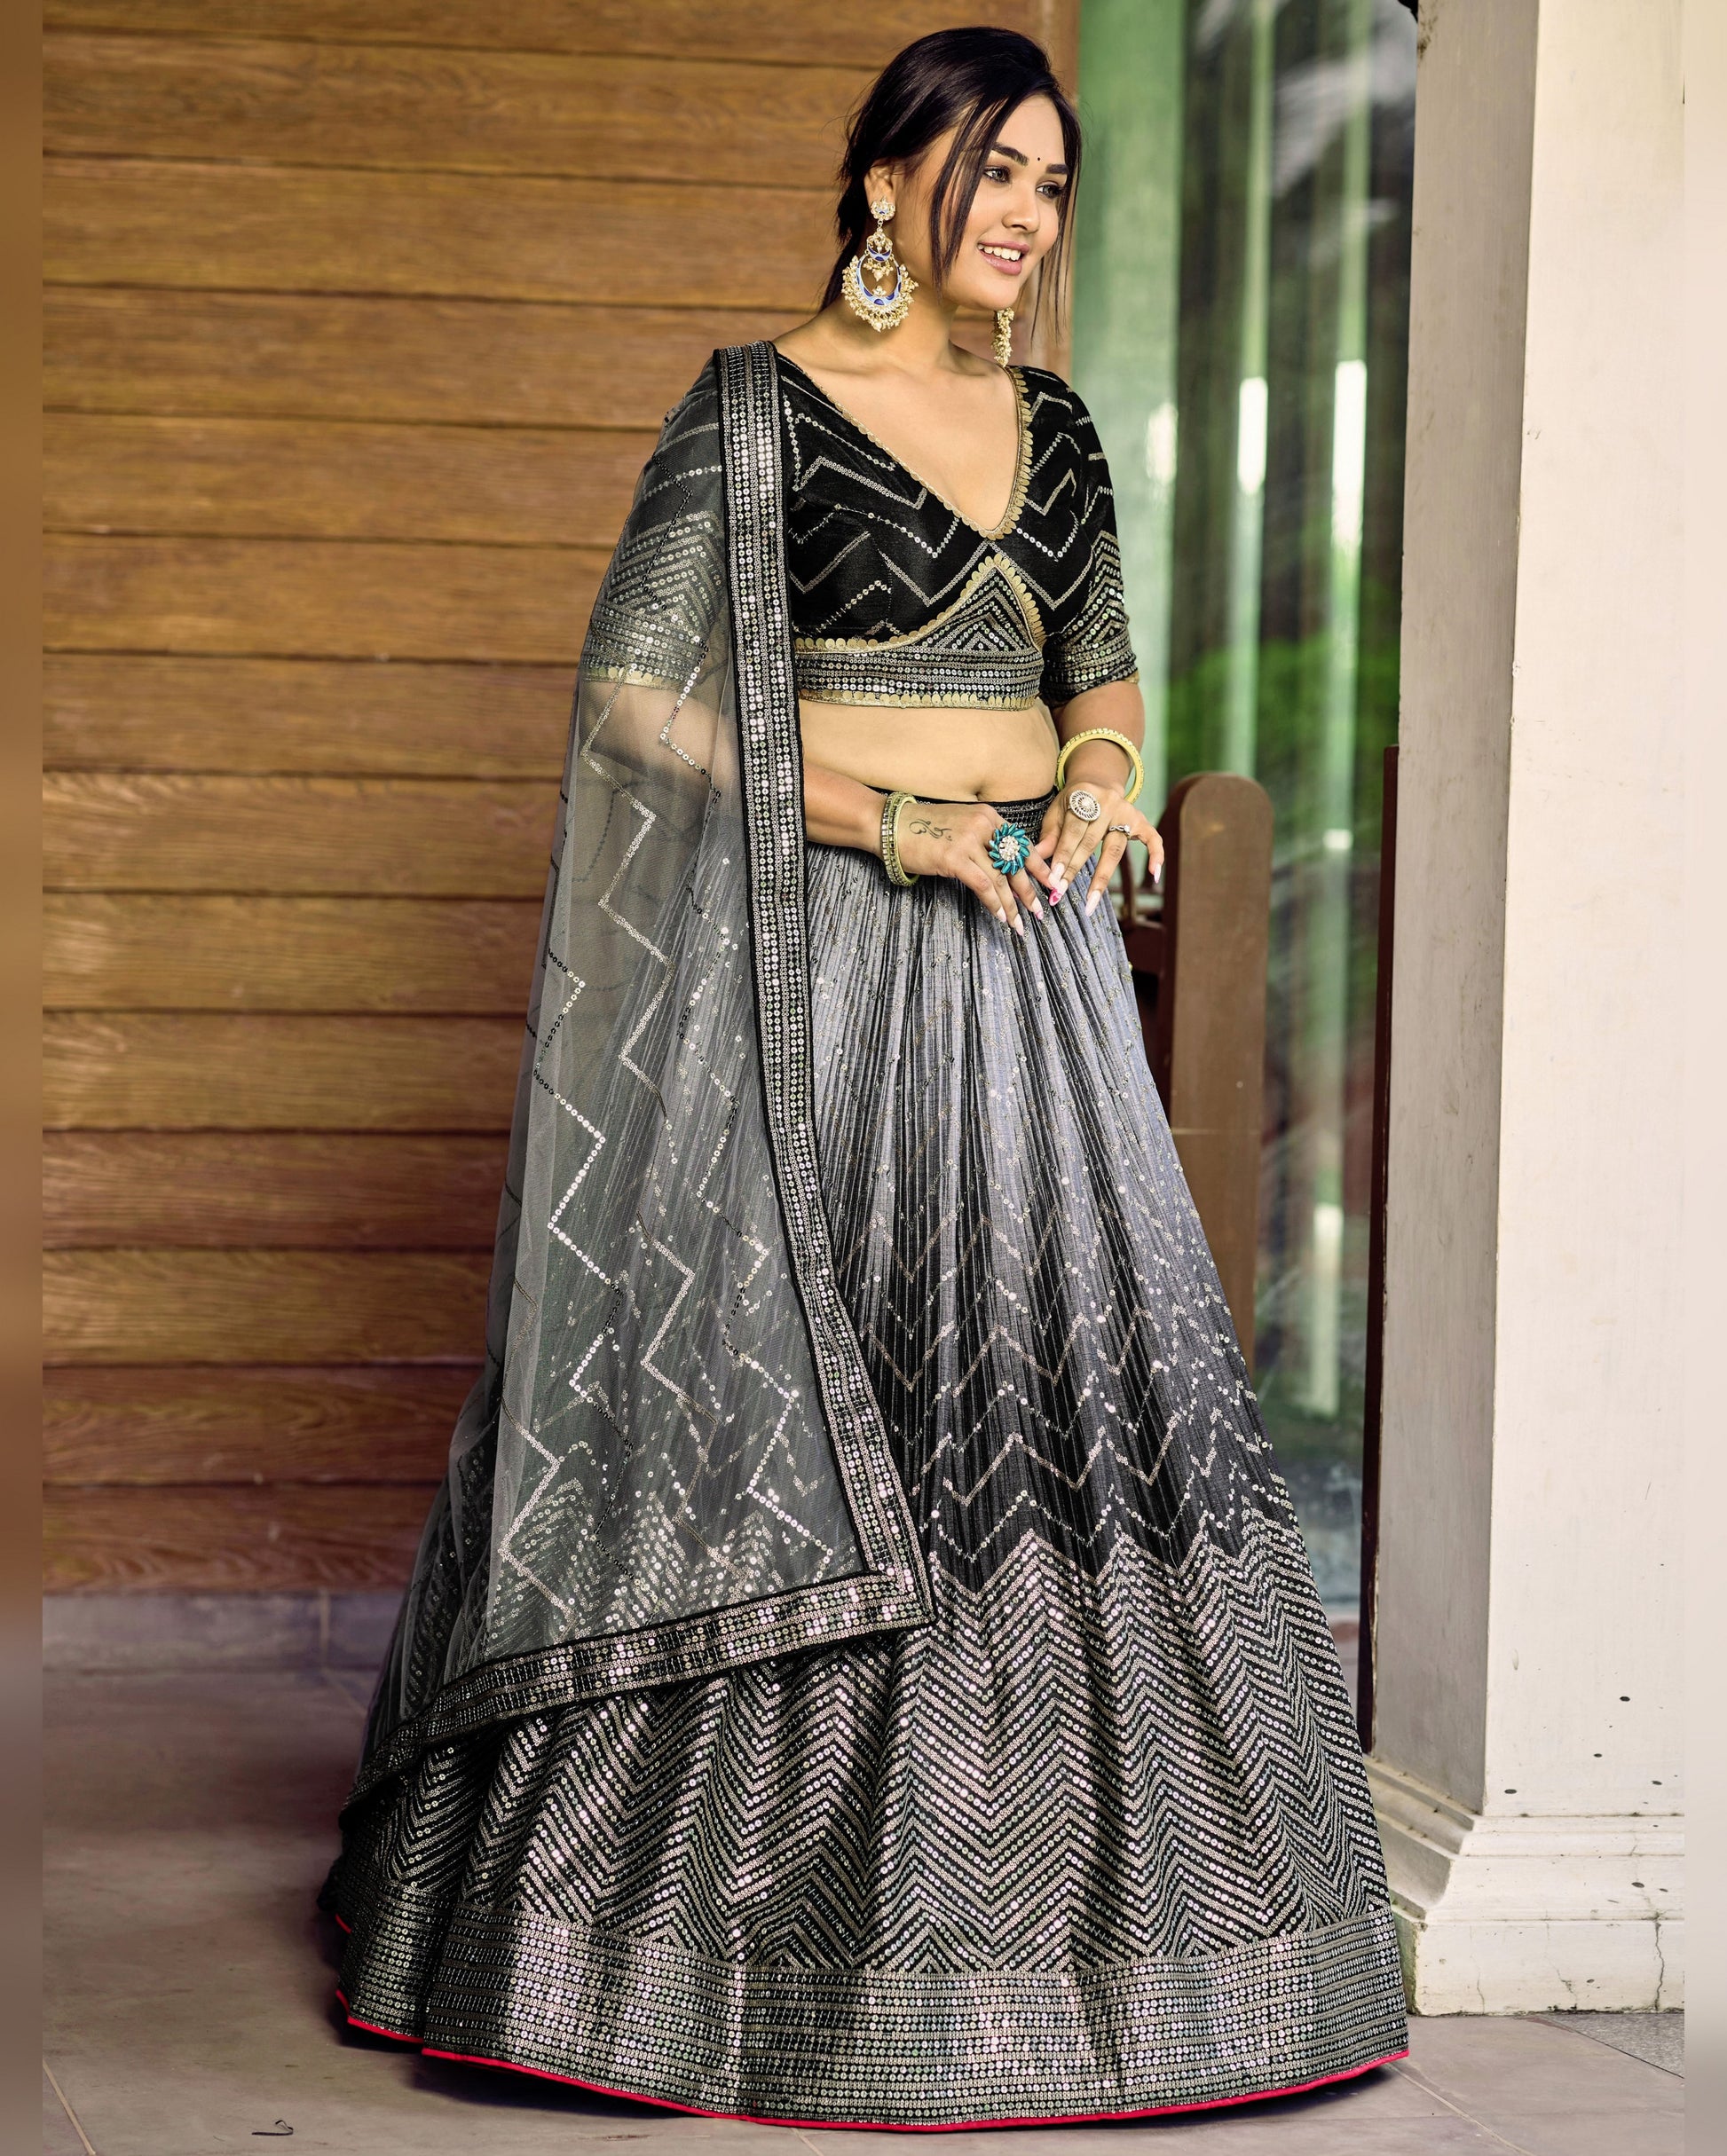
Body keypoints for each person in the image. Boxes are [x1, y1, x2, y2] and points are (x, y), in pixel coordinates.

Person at [321, 26, 1408, 2128]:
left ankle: (1100, 1948)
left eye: (1054, 186)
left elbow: (1097, 651)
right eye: (994, 171)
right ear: (889, 173)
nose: (1023, 216)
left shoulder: (1057, 422)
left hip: (1043, 979)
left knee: (1062, 1401)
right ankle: (717, 1948)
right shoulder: (759, 413)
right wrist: (895, 826)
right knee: (834, 1390)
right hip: (834, 972)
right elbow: (637, 702)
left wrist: (1098, 767)